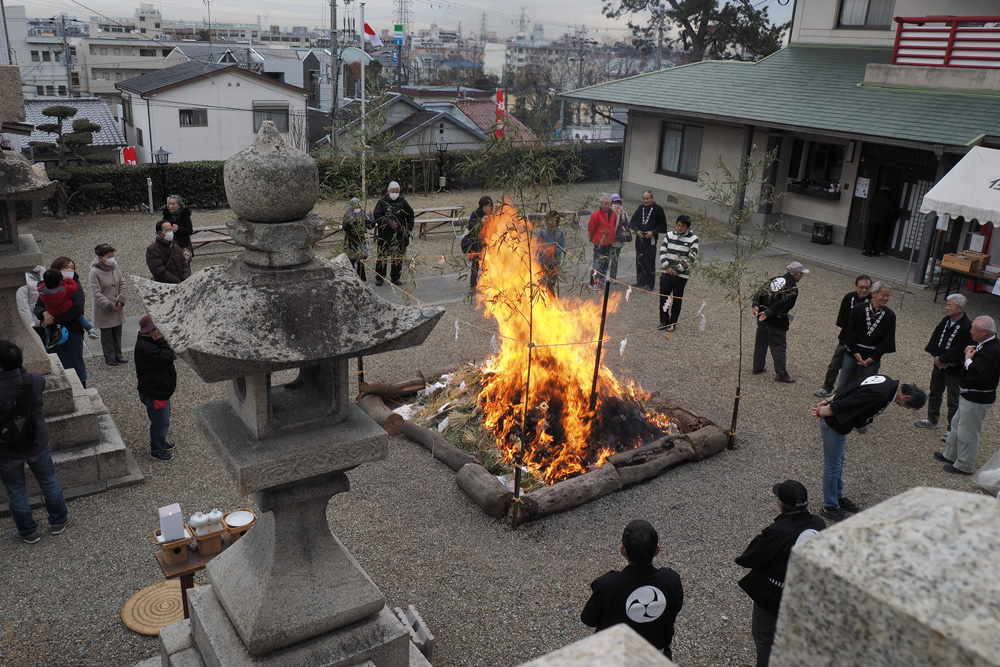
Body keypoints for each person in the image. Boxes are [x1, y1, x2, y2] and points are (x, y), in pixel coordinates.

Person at [735, 481, 825, 667]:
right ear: (807, 502)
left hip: (776, 595)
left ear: (780, 503)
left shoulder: (777, 531)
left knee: (766, 639)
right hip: (807, 593)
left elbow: (749, 558)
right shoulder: (819, 524)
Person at [812, 375, 926, 521]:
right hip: (834, 423)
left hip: (838, 422)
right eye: (907, 406)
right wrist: (826, 410)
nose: (904, 408)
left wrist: (830, 399)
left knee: (839, 461)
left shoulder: (886, 381)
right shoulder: (882, 394)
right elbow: (850, 402)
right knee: (833, 465)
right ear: (906, 396)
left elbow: (852, 386)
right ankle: (829, 506)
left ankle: (837, 496)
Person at [581, 519, 684, 658]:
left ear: (623, 550)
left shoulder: (608, 585)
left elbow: (589, 619)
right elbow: (675, 608)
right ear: (657, 550)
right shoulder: (671, 581)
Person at [0, 340, 70, 544]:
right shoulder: (35, 380)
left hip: (7, 448)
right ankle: (59, 520)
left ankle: (28, 531)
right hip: (36, 441)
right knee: (48, 481)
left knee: (15, 490)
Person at [937, 316, 1000, 475]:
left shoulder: (993, 350)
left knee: (968, 432)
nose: (970, 331)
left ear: (984, 332)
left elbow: (980, 375)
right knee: (957, 424)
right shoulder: (987, 345)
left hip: (977, 398)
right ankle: (951, 454)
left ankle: (965, 464)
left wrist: (968, 360)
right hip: (969, 396)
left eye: (973, 329)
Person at [915, 294, 973, 433]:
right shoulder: (946, 321)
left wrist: (943, 359)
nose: (947, 308)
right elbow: (935, 338)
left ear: (960, 308)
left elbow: (960, 348)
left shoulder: (967, 326)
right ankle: (932, 419)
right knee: (935, 392)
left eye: (950, 305)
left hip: (954, 369)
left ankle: (951, 429)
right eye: (947, 305)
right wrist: (936, 357)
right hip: (939, 365)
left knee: (953, 400)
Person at [814, 275, 872, 398]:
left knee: (855, 369)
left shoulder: (873, 301)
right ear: (856, 287)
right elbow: (842, 318)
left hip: (862, 342)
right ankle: (827, 386)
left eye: (867, 288)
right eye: (861, 287)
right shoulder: (849, 297)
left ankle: (848, 391)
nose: (864, 290)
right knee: (835, 364)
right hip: (846, 337)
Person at [34, 257, 88, 388]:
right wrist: (44, 313)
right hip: (51, 331)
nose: (70, 271)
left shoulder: (74, 285)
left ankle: (80, 386)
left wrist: (54, 319)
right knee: (55, 362)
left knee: (74, 361)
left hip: (71, 330)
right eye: (66, 268)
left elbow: (77, 309)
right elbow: (38, 306)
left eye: (72, 268)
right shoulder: (45, 286)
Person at [752, 261, 808, 383]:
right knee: (778, 346)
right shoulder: (792, 287)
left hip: (761, 316)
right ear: (796, 274)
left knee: (761, 342)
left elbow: (759, 292)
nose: (802, 276)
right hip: (775, 320)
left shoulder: (775, 279)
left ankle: (758, 366)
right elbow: (783, 303)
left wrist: (756, 304)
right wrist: (769, 313)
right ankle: (781, 374)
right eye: (801, 274)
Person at [135, 314, 178, 462]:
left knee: (161, 420)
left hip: (160, 391)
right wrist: (161, 340)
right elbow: (168, 356)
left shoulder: (146, 340)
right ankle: (157, 450)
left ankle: (160, 441)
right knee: (160, 422)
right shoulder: (146, 347)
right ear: (151, 331)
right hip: (155, 393)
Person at [838, 281, 895, 391]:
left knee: (865, 388)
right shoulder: (858, 309)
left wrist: (873, 358)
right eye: (884, 295)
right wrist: (855, 352)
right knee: (843, 385)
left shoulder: (890, 315)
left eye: (888, 296)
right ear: (874, 294)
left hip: (872, 358)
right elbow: (849, 332)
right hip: (852, 354)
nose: (886, 298)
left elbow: (887, 340)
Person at [658, 214, 699, 332]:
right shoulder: (669, 235)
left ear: (688, 227)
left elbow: (692, 257)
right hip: (666, 272)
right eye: (678, 225)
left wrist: (677, 269)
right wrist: (667, 267)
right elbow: (662, 251)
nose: (680, 228)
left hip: (681, 275)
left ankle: (673, 322)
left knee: (677, 299)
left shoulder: (693, 239)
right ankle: (664, 321)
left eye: (683, 226)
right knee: (663, 297)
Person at [36, 268, 98, 346]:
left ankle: (48, 338)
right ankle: (89, 329)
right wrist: (67, 279)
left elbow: (39, 286)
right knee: (79, 317)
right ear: (60, 280)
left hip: (52, 313)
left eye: (72, 268)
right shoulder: (65, 289)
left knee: (46, 324)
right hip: (66, 308)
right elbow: (74, 286)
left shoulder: (42, 293)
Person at [89, 244, 128, 367]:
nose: (112, 259)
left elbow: (122, 283)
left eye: (113, 256)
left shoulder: (114, 267)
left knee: (117, 332)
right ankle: (110, 357)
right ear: (101, 258)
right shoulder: (94, 272)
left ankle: (118, 354)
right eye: (109, 257)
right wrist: (110, 305)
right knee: (107, 335)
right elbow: (96, 293)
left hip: (118, 306)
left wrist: (120, 300)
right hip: (105, 309)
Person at [370, 181, 414, 287]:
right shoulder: (382, 202)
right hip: (385, 235)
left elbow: (410, 215)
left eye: (397, 191)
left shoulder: (402, 202)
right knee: (382, 255)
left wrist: (407, 230)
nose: (395, 193)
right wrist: (388, 223)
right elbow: (377, 215)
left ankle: (395, 277)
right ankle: (380, 277)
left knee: (397, 256)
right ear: (388, 191)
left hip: (399, 235)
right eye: (393, 191)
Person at [630, 190, 667, 290]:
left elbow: (663, 226)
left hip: (651, 240)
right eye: (644, 198)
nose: (645, 201)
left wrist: (653, 232)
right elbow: (633, 222)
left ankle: (650, 284)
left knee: (649, 261)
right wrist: (636, 230)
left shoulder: (658, 209)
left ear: (652, 198)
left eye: (647, 198)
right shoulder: (640, 208)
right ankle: (640, 281)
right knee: (640, 260)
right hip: (640, 239)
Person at [146, 220, 190, 284]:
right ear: (160, 233)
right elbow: (159, 271)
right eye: (167, 230)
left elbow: (184, 263)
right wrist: (177, 281)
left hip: (181, 283)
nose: (170, 232)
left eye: (171, 229)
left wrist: (185, 278)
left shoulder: (174, 244)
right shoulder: (152, 249)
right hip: (167, 285)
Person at [587, 196, 616, 291]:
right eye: (605, 204)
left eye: (608, 204)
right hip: (599, 243)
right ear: (601, 204)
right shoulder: (595, 215)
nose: (607, 206)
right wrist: (594, 240)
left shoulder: (613, 214)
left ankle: (602, 281)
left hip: (609, 243)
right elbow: (591, 229)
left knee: (606, 264)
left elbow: (614, 225)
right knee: (597, 264)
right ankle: (593, 282)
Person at [862, 185, 898, 257]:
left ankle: (868, 251)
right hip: (884, 220)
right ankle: (876, 252)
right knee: (880, 236)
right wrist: (892, 218)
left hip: (873, 218)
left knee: (870, 235)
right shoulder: (891, 199)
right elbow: (892, 211)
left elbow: (870, 206)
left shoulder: (875, 197)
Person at [466, 195, 493, 290]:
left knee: (487, 265)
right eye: (486, 206)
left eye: (489, 206)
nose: (488, 208)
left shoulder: (491, 215)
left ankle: (484, 283)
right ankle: (473, 285)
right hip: (476, 244)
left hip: (487, 243)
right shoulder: (475, 214)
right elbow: (471, 228)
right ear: (482, 206)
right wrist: (481, 223)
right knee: (475, 265)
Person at [15, 265, 47, 347]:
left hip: (47, 318)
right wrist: (30, 324)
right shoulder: (20, 276)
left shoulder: (41, 271)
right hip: (36, 322)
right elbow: (22, 304)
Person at [536, 211, 566, 295]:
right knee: (541, 283)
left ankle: (551, 301)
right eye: (550, 219)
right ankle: (540, 303)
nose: (552, 222)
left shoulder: (560, 234)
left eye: (554, 220)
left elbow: (562, 247)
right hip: (542, 262)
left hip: (554, 263)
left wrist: (554, 251)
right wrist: (545, 251)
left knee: (551, 285)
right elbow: (538, 245)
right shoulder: (543, 232)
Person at [160, 195, 195, 266]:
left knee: (184, 266)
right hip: (169, 245)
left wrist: (179, 229)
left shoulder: (185, 215)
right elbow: (161, 229)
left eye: (173, 204)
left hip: (183, 244)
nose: (171, 206)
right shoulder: (166, 215)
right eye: (169, 204)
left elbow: (189, 230)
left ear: (179, 205)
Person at [342, 197, 368, 281]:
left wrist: (372, 220)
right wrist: (351, 221)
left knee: (361, 260)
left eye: (358, 207)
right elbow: (344, 227)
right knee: (351, 260)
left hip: (360, 239)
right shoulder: (347, 214)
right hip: (350, 239)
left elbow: (368, 225)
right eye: (355, 207)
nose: (357, 209)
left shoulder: (362, 213)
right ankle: (352, 279)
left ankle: (362, 279)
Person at [608, 194, 631, 282]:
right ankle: (601, 277)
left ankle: (612, 277)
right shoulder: (608, 212)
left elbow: (626, 224)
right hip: (608, 240)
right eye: (615, 203)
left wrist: (621, 213)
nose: (616, 205)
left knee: (614, 260)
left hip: (617, 241)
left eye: (618, 203)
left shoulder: (623, 213)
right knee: (605, 259)